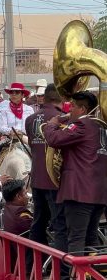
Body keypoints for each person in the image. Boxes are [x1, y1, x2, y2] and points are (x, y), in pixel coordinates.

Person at [42, 91, 107, 256]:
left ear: (83, 110)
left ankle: (74, 276)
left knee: (76, 238)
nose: (69, 110)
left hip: (79, 193)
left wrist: (52, 124)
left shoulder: (82, 125)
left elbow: (54, 139)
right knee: (91, 238)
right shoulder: (100, 127)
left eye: (73, 107)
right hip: (98, 194)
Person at [25, 84, 67, 253]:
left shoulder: (30, 119)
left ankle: (34, 263)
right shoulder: (63, 118)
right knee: (60, 226)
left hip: (36, 178)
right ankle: (61, 271)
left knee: (38, 222)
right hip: (56, 181)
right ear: (60, 99)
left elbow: (31, 146)